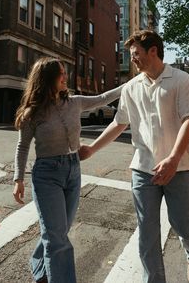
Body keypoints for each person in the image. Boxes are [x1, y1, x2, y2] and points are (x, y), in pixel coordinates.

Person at [79, 30, 189, 283]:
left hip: (179, 167)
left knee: (185, 227)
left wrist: (173, 158)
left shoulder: (181, 79)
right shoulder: (131, 87)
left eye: (136, 54)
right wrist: (92, 149)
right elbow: (118, 123)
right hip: (143, 168)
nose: (132, 59)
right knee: (147, 232)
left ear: (153, 51)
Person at [13, 57, 123, 283]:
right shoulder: (32, 113)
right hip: (46, 175)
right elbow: (22, 146)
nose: (66, 77)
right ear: (47, 78)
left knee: (57, 232)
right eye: (61, 73)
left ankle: (41, 269)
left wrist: (133, 83)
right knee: (57, 238)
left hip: (73, 170)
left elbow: (103, 98)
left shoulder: (74, 102)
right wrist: (18, 179)